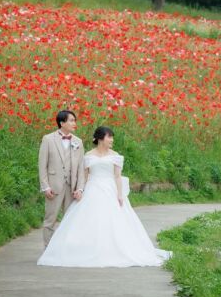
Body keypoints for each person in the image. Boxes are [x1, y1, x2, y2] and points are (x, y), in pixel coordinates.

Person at [37, 126, 172, 267]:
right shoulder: (88, 155)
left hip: (110, 190)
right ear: (100, 139)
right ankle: (83, 249)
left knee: (114, 221)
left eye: (112, 137)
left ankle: (113, 250)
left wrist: (120, 194)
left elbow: (117, 177)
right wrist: (80, 190)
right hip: (92, 189)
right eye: (109, 137)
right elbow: (84, 176)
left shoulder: (115, 155)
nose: (112, 140)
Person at [38, 110, 85, 247]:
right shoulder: (48, 139)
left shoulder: (78, 142)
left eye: (74, 120)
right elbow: (42, 165)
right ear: (62, 123)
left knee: (70, 221)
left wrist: (80, 188)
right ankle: (48, 251)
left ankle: (65, 250)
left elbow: (81, 167)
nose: (74, 123)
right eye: (71, 120)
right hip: (54, 187)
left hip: (72, 188)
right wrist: (45, 186)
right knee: (50, 220)